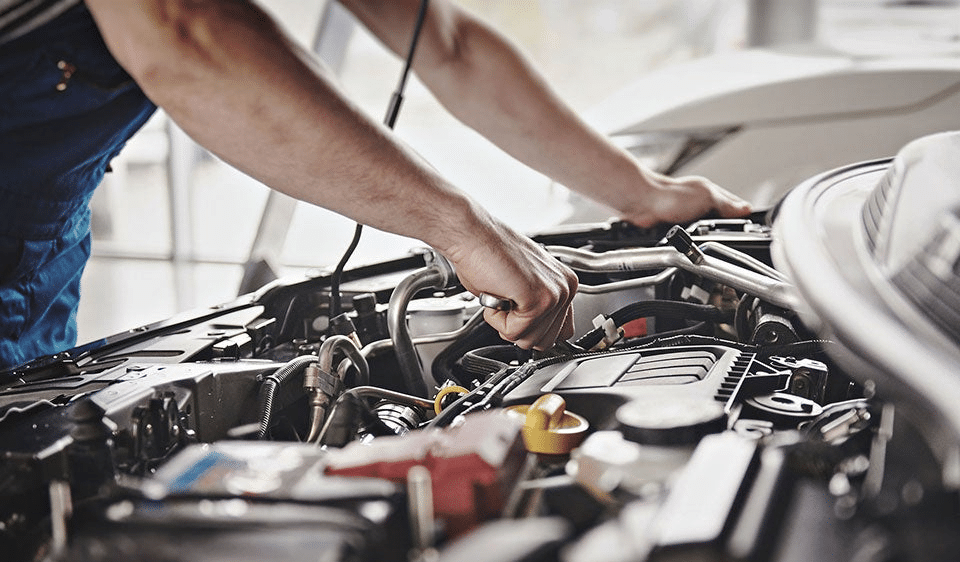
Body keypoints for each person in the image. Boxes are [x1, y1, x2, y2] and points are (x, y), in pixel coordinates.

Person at [0, 0, 750, 369]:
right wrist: (463, 230)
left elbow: (448, 47)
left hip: (41, 254)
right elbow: (185, 32)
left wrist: (643, 193)